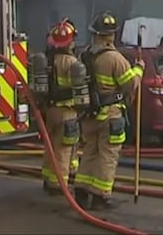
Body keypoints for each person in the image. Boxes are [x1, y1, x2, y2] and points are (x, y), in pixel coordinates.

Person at [73, 11, 144, 210]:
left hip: (88, 115)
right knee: (107, 155)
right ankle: (100, 196)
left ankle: (81, 189)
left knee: (89, 151)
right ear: (112, 35)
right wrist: (139, 69)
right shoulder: (115, 59)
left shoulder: (85, 55)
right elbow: (130, 85)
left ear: (95, 33)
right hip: (110, 115)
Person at [40, 18, 85, 195]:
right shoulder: (73, 64)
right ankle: (58, 184)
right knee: (63, 150)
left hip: (48, 110)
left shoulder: (47, 60)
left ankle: (49, 178)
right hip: (67, 112)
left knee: (51, 146)